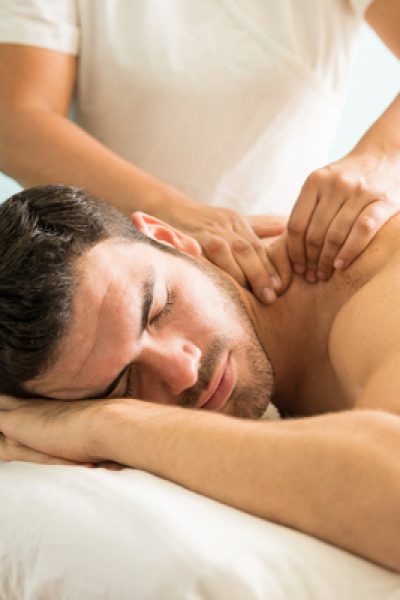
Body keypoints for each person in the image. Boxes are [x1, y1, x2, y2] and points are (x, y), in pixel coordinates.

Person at [1, 184, 400, 573]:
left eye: (158, 309)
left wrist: (104, 425)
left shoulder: (375, 289)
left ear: (172, 239)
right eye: (124, 386)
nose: (183, 372)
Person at [0, 1, 399, 305]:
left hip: (285, 273)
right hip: (129, 284)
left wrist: (377, 158)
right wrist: (170, 214)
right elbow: (16, 118)